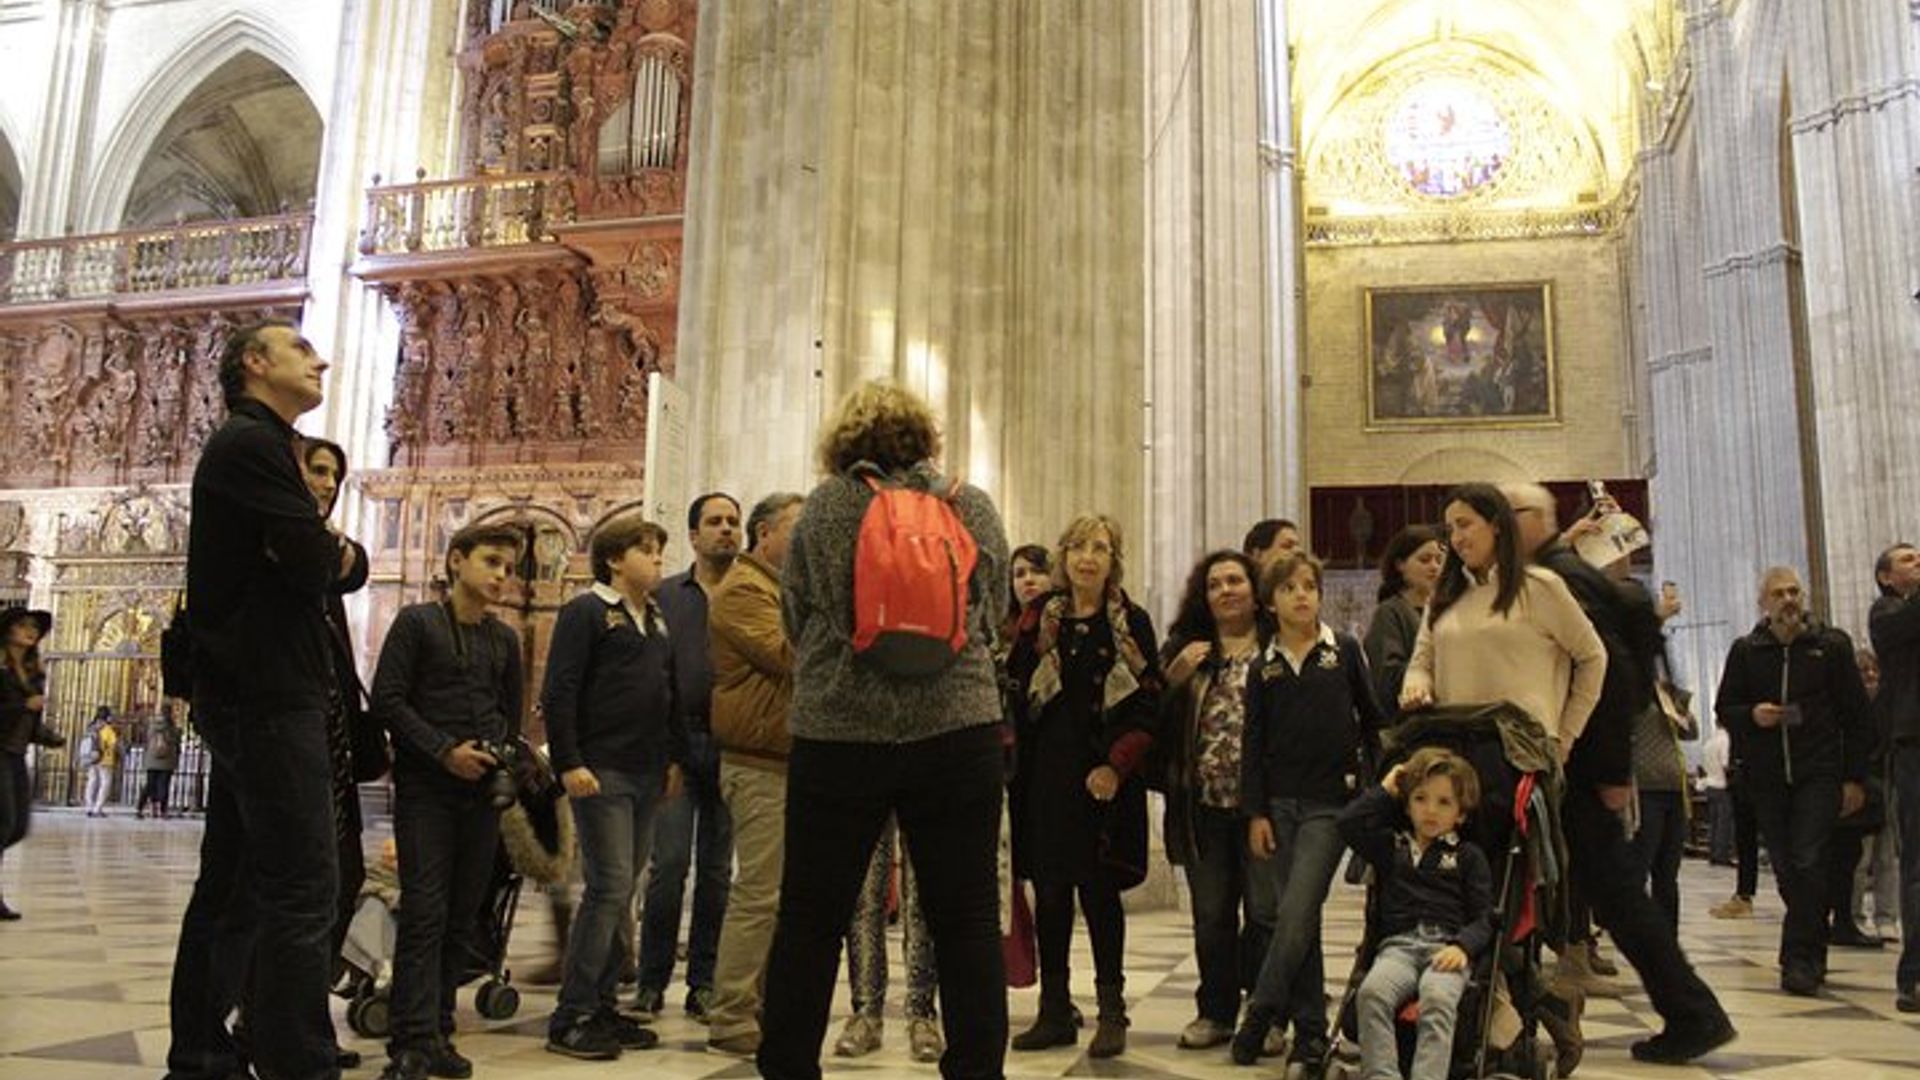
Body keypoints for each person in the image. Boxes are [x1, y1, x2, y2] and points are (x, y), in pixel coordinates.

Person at [759, 380, 1011, 1080]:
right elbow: (993, 615)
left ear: (844, 442)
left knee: (810, 918)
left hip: (840, 733)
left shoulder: (825, 509)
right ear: (924, 438)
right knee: (965, 919)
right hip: (957, 731)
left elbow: (795, 615)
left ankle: (786, 1068)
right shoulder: (971, 503)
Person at [167, 319, 355, 1080]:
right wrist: (333, 552)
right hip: (269, 694)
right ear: (254, 362)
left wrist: (324, 553)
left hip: (258, 691)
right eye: (301, 350)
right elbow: (316, 561)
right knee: (306, 889)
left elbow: (312, 557)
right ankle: (294, 1061)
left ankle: (204, 1055)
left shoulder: (260, 446)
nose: (321, 360)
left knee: (238, 886)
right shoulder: (252, 443)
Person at [1498, 482, 1731, 1065]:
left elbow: (1608, 678)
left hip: (1579, 770)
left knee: (1615, 893)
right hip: (1570, 765)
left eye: (1505, 512)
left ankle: (1693, 1013)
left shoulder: (1563, 579)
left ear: (1534, 518)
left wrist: (1608, 770)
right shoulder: (1550, 573)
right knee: (1598, 892)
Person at [370, 522, 526, 1080]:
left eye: (507, 567)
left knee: (464, 914)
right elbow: (387, 701)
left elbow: (510, 715)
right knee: (425, 912)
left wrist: (496, 757)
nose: (500, 575)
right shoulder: (418, 623)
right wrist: (443, 752)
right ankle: (409, 1040)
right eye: (490, 561)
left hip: (481, 794)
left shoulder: (504, 639)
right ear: (456, 561)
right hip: (428, 789)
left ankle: (438, 1030)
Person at [1007, 512, 1161, 1060]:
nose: (1087, 558)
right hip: (1045, 778)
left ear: (1112, 559)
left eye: (1099, 547)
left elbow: (1148, 702)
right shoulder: (1036, 619)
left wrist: (1115, 766)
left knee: (1099, 896)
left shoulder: (1129, 621)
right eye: (1077, 547)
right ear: (1063, 557)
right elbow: (1015, 692)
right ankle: (1053, 1009)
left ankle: (1111, 1010)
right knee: (1049, 895)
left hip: (1103, 781)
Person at [1232, 552, 1385, 1069]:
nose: (1302, 595)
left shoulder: (1341, 651)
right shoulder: (1263, 666)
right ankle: (1312, 1033)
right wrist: (1255, 812)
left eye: (1309, 586)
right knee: (1299, 921)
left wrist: (1378, 787)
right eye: (1289, 588)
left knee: (1296, 910)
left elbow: (1370, 720)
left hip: (1329, 803)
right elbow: (1252, 745)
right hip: (1277, 805)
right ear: (1270, 602)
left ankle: (1260, 1009)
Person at [544, 514, 684, 1060]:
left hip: (648, 769)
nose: (656, 559)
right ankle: (571, 1013)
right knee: (608, 887)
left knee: (624, 890)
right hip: (601, 769)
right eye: (646, 550)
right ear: (614, 559)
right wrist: (570, 762)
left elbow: (667, 691)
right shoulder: (587, 611)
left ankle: (602, 1004)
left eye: (658, 551)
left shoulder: (654, 617)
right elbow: (560, 691)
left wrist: (673, 757)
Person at [1715, 565, 1872, 997]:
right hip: (1767, 778)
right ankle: (1810, 942)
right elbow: (1724, 707)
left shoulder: (1830, 646)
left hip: (1817, 773)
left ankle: (1799, 959)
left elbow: (1856, 716)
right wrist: (1752, 715)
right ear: (1764, 603)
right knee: (1787, 870)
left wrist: (1855, 777)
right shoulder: (1747, 651)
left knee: (1808, 859)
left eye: (1795, 592)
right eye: (1780, 593)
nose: (1789, 600)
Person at [1158, 550, 1275, 1052]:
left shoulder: (1276, 649)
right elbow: (1154, 724)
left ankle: (1266, 1013)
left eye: (1235, 580)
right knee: (1212, 915)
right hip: (1201, 804)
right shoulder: (1188, 652)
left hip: (1261, 808)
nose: (1225, 590)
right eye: (1214, 584)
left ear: (1255, 589)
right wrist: (1173, 680)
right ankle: (1216, 1012)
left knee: (1266, 914)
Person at [634, 492, 741, 1023]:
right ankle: (652, 980)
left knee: (718, 871)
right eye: (715, 522)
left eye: (733, 522)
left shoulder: (753, 592)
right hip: (677, 747)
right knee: (669, 865)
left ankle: (703, 981)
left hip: (734, 748)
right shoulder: (666, 595)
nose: (726, 530)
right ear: (694, 536)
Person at [703, 492, 804, 1058]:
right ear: (764, 534)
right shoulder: (744, 589)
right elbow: (788, 655)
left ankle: (761, 1004)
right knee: (758, 895)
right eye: (799, 527)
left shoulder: (778, 588)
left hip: (785, 759)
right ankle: (731, 1014)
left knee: (781, 896)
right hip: (756, 762)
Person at [1342, 749, 1494, 1080]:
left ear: (1461, 814)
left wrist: (1463, 947)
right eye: (1420, 799)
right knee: (1371, 993)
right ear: (1407, 804)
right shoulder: (1391, 848)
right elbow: (1349, 824)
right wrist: (1386, 789)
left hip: (1446, 949)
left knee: (1438, 999)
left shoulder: (1468, 857)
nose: (1430, 810)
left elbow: (1485, 918)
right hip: (1398, 947)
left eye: (1444, 802)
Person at [301, 435, 383, 1037]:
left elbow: (357, 568)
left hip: (331, 743)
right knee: (299, 888)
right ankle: (266, 1021)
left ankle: (299, 1016)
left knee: (342, 879)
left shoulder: (323, 561)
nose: (329, 484)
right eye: (317, 471)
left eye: (335, 474)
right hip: (293, 741)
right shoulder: (281, 549)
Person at [834, 821, 942, 1061]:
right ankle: (865, 1014)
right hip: (865, 785)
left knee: (920, 899)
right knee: (866, 897)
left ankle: (922, 1015)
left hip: (925, 786)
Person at [1867, 541, 1920, 1010]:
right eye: (1909, 559)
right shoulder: (1886, 614)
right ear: (1886, 577)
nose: (1917, 562)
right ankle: (1915, 975)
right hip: (1914, 743)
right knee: (1917, 863)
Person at [1826, 649, 1886, 949]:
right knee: (1835, 860)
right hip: (1833, 783)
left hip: (1861, 782)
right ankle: (1834, 919)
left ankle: (1846, 920)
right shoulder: (1836, 701)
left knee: (1850, 857)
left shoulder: (1865, 703)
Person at [0, 607, 57, 920]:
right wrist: (22, 704)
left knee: (19, 825)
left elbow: (31, 717)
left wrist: (47, 736)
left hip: (16, 749)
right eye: (23, 625)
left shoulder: (34, 670)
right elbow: (18, 708)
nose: (30, 631)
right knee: (4, 821)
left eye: (34, 627)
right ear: (8, 630)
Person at [1365, 526, 1445, 717]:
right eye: (1425, 560)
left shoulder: (1446, 610)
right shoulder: (1390, 613)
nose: (1434, 567)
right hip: (1410, 724)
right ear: (1400, 564)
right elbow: (1387, 679)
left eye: (1439, 560)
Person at [137, 705, 182, 819]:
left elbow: (146, 739)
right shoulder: (171, 727)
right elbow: (175, 741)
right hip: (167, 760)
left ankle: (141, 807)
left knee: (150, 784)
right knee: (164, 785)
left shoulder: (152, 725)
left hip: (151, 759)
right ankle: (163, 810)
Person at [1702, 723, 1734, 866]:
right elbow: (1726, 764)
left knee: (1714, 821)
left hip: (1710, 783)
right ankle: (1722, 855)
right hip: (1722, 785)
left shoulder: (1709, 741)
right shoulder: (1725, 740)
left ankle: (1713, 852)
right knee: (1724, 822)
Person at [81, 705, 120, 817]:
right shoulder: (107, 729)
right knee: (105, 783)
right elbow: (113, 744)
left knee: (92, 781)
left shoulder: (91, 727)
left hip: (92, 758)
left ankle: (89, 806)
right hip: (105, 759)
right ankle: (97, 808)